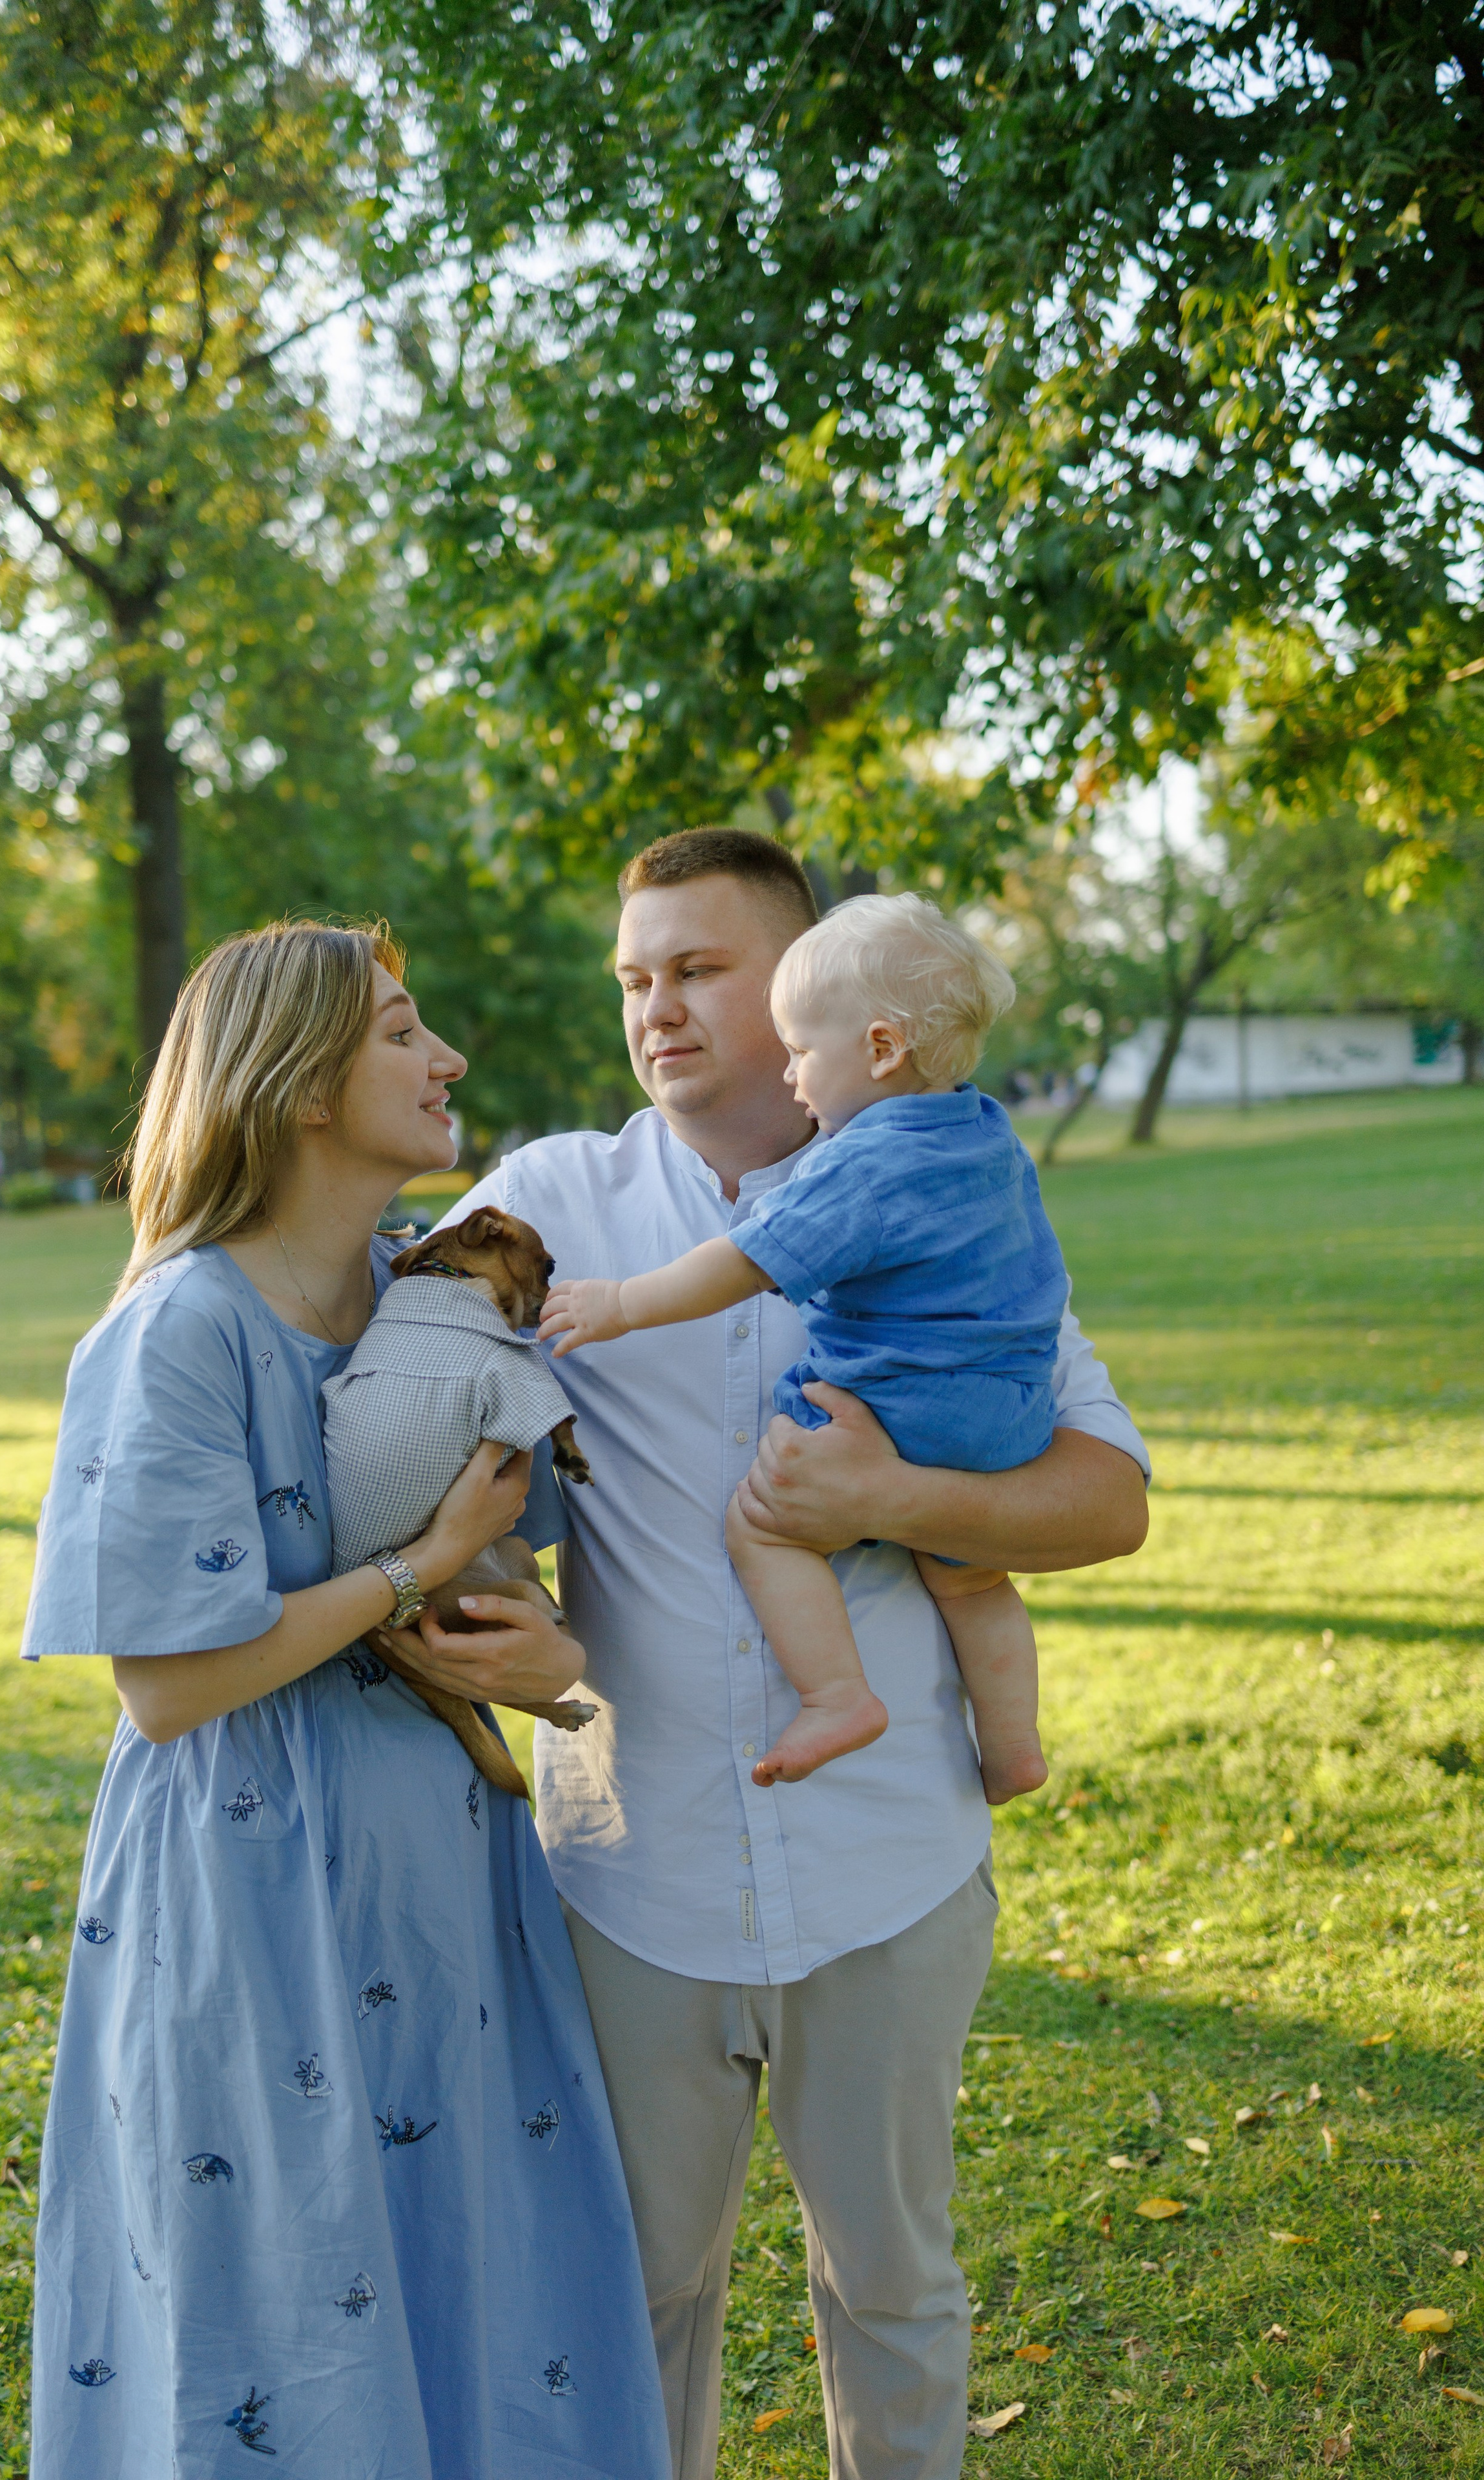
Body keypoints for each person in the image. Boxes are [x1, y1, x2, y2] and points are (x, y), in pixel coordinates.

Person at [448, 830, 1149, 2480]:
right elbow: (418, 1416)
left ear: (807, 989)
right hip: (634, 1873)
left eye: (697, 970)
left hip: (887, 1863)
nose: (658, 1009)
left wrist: (893, 1493)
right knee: (633, 2290)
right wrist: (490, 1584)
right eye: (635, 977)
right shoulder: (554, 1201)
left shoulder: (945, 1186)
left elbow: (1107, 1498)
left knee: (896, 2285)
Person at [19, 920, 669, 2480]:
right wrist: (409, 1569)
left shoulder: (432, 1302)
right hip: (249, 1886)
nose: (444, 1061)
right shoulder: (177, 1332)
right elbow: (169, 1683)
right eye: (399, 1033)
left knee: (476, 2265)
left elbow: (533, 1598)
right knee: (280, 2295)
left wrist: (546, 1661)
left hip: (446, 1878)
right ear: (301, 1084)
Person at [541, 891, 1066, 1799]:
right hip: (1008, 1409)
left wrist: (620, 1303)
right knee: (975, 1582)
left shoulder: (861, 1162)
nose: (792, 1078)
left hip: (894, 1403)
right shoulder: (983, 1130)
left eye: (800, 1052)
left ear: (879, 1048)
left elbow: (744, 1262)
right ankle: (1015, 1741)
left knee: (764, 1527)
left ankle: (836, 1697)